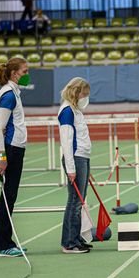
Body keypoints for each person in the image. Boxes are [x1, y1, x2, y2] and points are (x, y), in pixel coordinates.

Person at [0, 57, 29, 257]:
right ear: (15, 73)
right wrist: (2, 157)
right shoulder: (8, 95)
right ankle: (3, 244)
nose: (27, 75)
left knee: (11, 196)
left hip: (16, 148)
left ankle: (6, 241)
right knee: (8, 197)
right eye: (24, 72)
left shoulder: (14, 92)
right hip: (10, 150)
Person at [58, 77, 92, 254]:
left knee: (79, 201)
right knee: (74, 201)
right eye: (84, 94)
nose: (86, 98)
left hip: (82, 157)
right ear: (76, 93)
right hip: (75, 159)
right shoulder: (67, 111)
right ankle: (69, 242)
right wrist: (71, 168)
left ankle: (76, 238)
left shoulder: (76, 110)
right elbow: (67, 141)